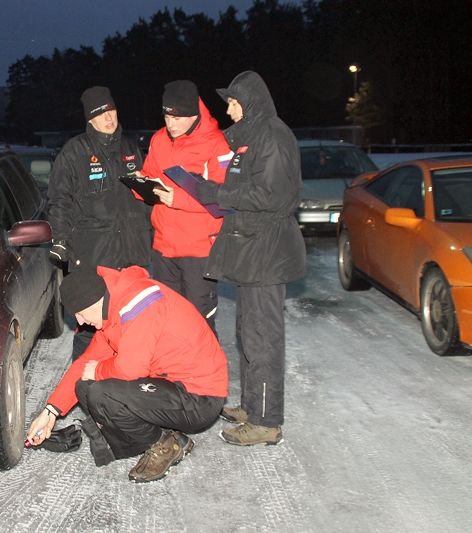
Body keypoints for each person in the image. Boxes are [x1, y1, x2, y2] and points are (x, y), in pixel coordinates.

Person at [25, 266, 228, 483]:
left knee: (102, 392)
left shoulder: (139, 303)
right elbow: (84, 363)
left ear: (93, 301)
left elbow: (131, 369)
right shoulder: (111, 310)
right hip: (170, 385)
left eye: (80, 314)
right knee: (84, 385)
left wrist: (100, 370)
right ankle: (137, 435)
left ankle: (165, 443)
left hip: (199, 397)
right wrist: (50, 411)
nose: (81, 322)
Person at [195, 70, 306, 446]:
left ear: (250, 102)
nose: (228, 109)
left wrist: (216, 193)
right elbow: (246, 185)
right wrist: (211, 187)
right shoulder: (253, 137)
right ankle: (252, 404)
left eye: (232, 102)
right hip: (252, 248)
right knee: (248, 333)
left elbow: (270, 195)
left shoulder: (273, 136)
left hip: (266, 249)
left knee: (263, 338)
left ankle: (265, 422)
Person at [46, 86, 153, 360]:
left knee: (131, 325)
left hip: (131, 255)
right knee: (91, 329)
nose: (109, 117)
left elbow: (145, 199)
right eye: (101, 113)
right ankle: (84, 388)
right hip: (92, 257)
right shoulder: (75, 152)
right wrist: (61, 240)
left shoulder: (131, 149)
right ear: (90, 119)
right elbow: (59, 200)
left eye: (111, 110)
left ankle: (122, 387)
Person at [139, 80, 233, 333]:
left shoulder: (217, 144)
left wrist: (177, 199)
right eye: (167, 116)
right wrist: (141, 186)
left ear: (194, 114)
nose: (171, 124)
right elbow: (150, 175)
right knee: (169, 320)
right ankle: (174, 372)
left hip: (198, 250)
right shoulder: (159, 139)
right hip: (163, 247)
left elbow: (224, 199)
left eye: (178, 118)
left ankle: (203, 373)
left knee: (198, 322)